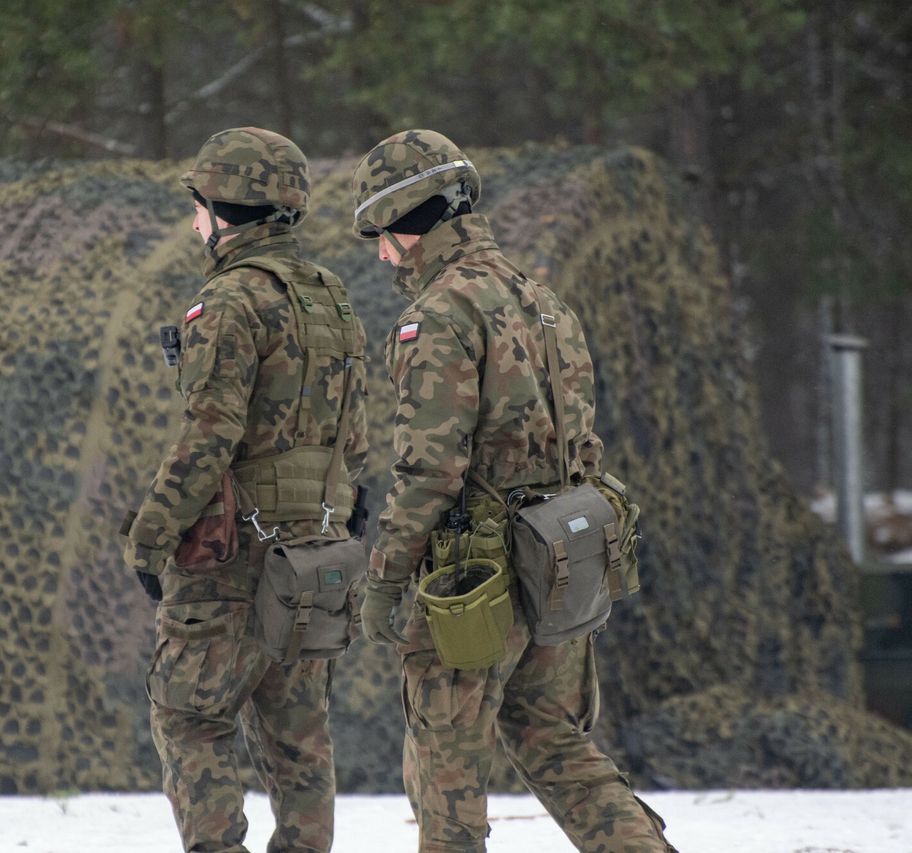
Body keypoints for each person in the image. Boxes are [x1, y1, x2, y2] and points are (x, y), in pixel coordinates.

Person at [351, 129, 675, 853]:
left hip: (473, 586)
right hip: (559, 556)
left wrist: (385, 579)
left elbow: (430, 468)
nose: (380, 252)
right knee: (553, 738)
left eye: (382, 232)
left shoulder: (436, 315)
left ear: (411, 218)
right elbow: (582, 443)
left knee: (447, 775)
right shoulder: (543, 302)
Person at [123, 126, 368, 853]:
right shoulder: (333, 298)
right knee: (299, 735)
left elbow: (208, 437)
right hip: (316, 550)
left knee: (190, 717)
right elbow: (352, 438)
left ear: (226, 207)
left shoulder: (227, 301)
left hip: (234, 559)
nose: (194, 220)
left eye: (198, 204)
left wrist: (151, 532)